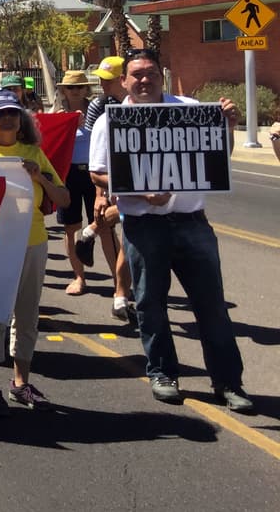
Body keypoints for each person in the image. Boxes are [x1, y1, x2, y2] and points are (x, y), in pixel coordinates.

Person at [88, 49, 254, 413]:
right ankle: (162, 373)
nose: (144, 80)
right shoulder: (111, 121)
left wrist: (225, 126)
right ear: (124, 81)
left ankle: (229, 383)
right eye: (136, 75)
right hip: (144, 226)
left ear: (161, 75)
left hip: (192, 223)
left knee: (211, 306)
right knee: (150, 304)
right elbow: (97, 172)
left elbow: (216, 157)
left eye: (150, 73)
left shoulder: (190, 108)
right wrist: (140, 190)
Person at [0, 90, 69, 415]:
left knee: (27, 314)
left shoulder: (34, 153)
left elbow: (62, 198)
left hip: (32, 240)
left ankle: (20, 382)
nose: (6, 118)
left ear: (21, 118)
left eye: (12, 113)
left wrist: (40, 178)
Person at [79, 55, 134, 316]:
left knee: (128, 230)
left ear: (123, 79)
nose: (103, 84)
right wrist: (100, 193)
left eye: (108, 80)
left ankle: (90, 231)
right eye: (101, 79)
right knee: (128, 230)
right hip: (115, 177)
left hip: (139, 176)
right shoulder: (99, 107)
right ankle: (122, 293)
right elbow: (98, 154)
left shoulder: (147, 104)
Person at [55, 70, 96, 298]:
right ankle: (79, 277)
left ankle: (121, 284)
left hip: (93, 172)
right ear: (63, 90)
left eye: (80, 87)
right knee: (71, 228)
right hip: (68, 173)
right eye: (71, 87)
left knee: (103, 224)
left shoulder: (96, 110)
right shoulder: (58, 113)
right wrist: (64, 123)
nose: (76, 91)